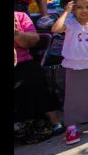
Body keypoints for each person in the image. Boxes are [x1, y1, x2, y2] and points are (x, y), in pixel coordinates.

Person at [51, 0, 88, 145]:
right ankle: (71, 127)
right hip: (73, 65)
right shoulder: (69, 23)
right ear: (74, 9)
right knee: (72, 96)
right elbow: (55, 29)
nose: (84, 10)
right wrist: (65, 12)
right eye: (79, 7)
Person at [14, 11, 65, 143]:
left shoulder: (19, 16)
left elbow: (33, 41)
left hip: (22, 62)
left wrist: (16, 33)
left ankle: (54, 121)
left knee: (33, 77)